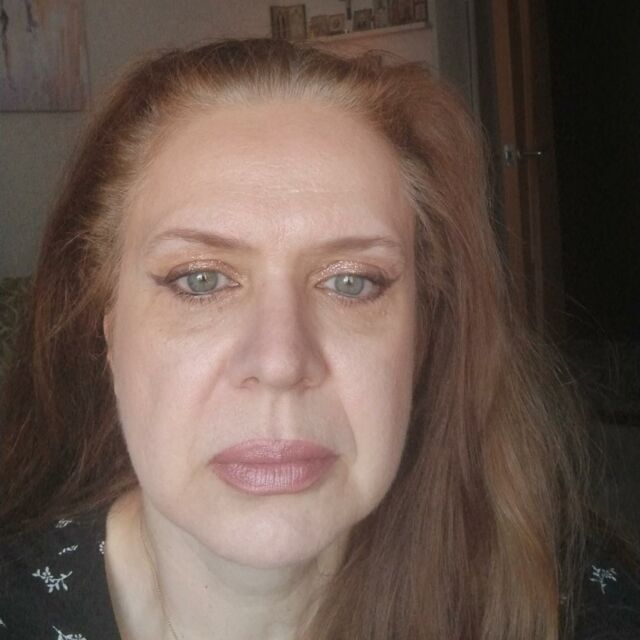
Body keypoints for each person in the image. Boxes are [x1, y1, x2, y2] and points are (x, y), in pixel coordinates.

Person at [0, 38, 638, 640]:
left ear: (421, 335)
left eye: (351, 283)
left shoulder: (567, 601)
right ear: (108, 325)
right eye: (201, 280)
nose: (281, 361)